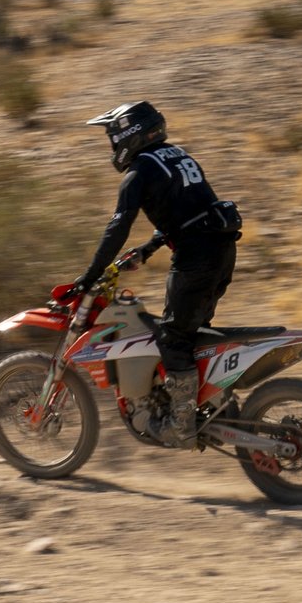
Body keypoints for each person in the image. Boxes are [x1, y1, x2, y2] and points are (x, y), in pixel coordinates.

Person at [70, 101, 242, 445]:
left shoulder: (139, 172)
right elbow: (188, 211)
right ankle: (216, 405)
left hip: (195, 259)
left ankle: (182, 424)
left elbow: (117, 228)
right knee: (193, 335)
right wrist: (148, 249)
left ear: (129, 134)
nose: (112, 146)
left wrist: (89, 276)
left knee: (172, 337)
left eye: (113, 137)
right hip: (222, 252)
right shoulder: (177, 156)